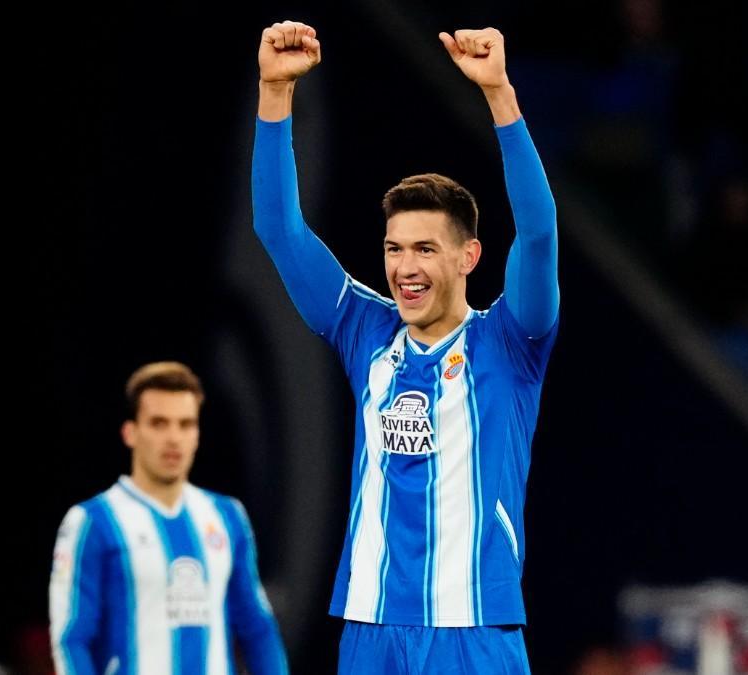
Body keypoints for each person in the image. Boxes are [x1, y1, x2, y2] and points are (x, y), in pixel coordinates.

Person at [252, 20, 559, 674]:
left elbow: (537, 234)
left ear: (469, 256)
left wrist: (500, 95)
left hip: (473, 627)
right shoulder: (364, 329)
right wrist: (275, 92)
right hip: (370, 627)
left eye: (425, 248)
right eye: (394, 249)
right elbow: (279, 229)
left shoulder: (511, 341)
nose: (405, 267)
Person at [49, 362, 288, 675]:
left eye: (185, 424)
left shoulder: (227, 516)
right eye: (159, 423)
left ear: (197, 435)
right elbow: (72, 638)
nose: (174, 438)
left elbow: (257, 627)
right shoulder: (93, 522)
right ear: (130, 433)